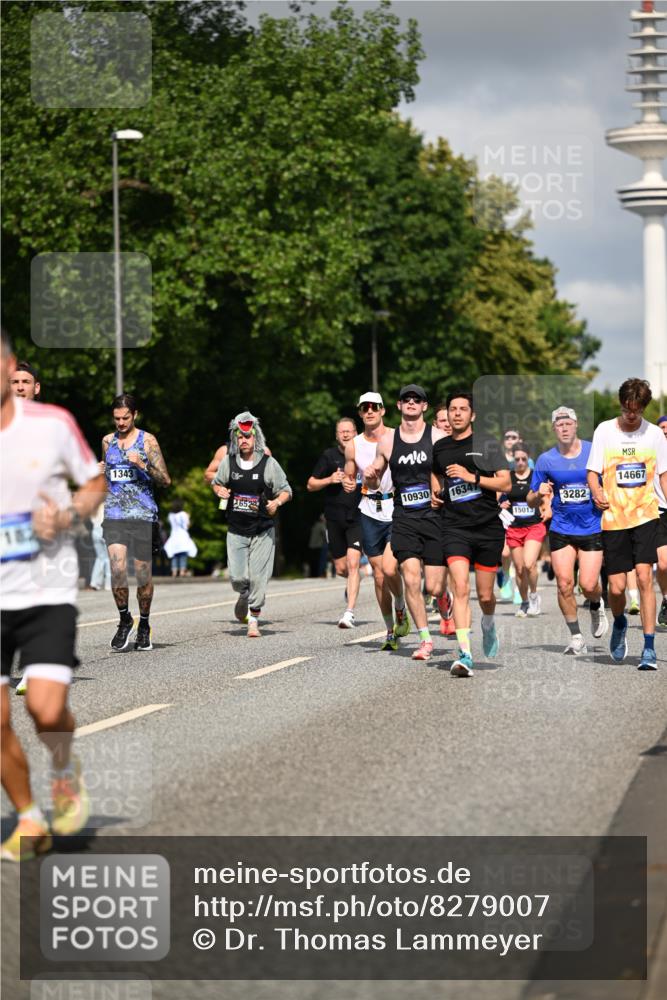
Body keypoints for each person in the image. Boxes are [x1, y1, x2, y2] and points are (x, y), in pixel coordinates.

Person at [1, 327, 105, 861]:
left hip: (44, 587)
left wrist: (68, 513)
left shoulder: (52, 424)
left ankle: (64, 770)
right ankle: (27, 815)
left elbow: (94, 481)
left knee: (44, 710)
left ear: (12, 365)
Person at [587, 378, 667, 670]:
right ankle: (620, 622)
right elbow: (593, 472)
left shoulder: (655, 435)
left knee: (645, 577)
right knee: (618, 588)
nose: (630, 414)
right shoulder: (605, 430)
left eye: (636, 410)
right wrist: (596, 491)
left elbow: (663, 476)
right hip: (613, 518)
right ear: (621, 404)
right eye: (626, 408)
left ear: (644, 407)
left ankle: (648, 648)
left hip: (646, 514)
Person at [431, 392, 511, 676]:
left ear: (472, 415)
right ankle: (464, 654)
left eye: (463, 409)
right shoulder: (440, 447)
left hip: (487, 527)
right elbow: (435, 474)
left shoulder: (487, 443)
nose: (456, 414)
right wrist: (435, 492)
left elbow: (506, 481)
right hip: (454, 527)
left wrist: (472, 477)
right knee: (460, 588)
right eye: (452, 409)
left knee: (486, 594)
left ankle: (488, 622)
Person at [365, 384, 446, 661]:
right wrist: (371, 476)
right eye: (406, 399)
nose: (411, 403)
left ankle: (441, 600)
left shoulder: (437, 437)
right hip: (404, 516)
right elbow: (374, 476)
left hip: (434, 516)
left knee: (434, 586)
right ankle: (425, 639)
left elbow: (452, 473)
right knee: (411, 578)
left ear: (425, 406)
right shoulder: (387, 442)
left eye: (417, 399)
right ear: (399, 406)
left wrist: (442, 492)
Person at [527, 406, 607, 656]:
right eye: (559, 424)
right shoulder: (546, 459)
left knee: (589, 583)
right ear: (554, 428)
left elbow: (609, 486)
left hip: (592, 526)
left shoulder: (594, 452)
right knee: (564, 584)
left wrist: (603, 497)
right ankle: (576, 637)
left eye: (568, 423)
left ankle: (596, 603)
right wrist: (537, 494)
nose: (563, 428)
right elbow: (530, 498)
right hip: (561, 527)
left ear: (576, 425)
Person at [101, 394, 171, 652]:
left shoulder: (147, 441)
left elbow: (165, 480)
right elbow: (109, 477)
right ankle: (123, 619)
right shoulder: (107, 442)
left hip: (143, 515)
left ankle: (144, 623)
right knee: (117, 568)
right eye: (117, 418)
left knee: (142, 574)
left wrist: (143, 464)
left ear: (135, 415)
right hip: (115, 514)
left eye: (125, 418)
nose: (120, 423)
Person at [212, 411, 291, 637]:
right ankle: (243, 593)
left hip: (262, 530)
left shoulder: (268, 463)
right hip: (236, 529)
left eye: (248, 436)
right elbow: (216, 483)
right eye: (240, 437)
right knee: (238, 578)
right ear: (235, 438)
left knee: (258, 577)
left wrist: (277, 502)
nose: (244, 440)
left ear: (256, 438)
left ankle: (253, 619)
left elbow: (286, 490)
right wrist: (220, 490)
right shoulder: (228, 462)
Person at [343, 391, 409, 651]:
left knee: (391, 569)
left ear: (383, 410)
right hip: (369, 509)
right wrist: (349, 482)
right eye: (365, 408)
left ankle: (401, 603)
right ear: (360, 413)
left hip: (396, 506)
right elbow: (350, 475)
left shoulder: (397, 436)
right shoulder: (354, 445)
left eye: (374, 407)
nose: (369, 411)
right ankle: (391, 630)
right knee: (379, 577)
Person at [308, 417, 362, 628]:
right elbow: (310, 484)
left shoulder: (364, 453)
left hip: (358, 516)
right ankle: (353, 581)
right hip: (334, 518)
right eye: (342, 432)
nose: (346, 434)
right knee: (341, 568)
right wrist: (329, 480)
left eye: (349, 431)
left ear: (356, 432)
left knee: (353, 563)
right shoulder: (328, 456)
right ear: (336, 435)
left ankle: (349, 612)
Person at [499, 444, 548, 618]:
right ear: (513, 460)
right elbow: (498, 497)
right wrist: (500, 504)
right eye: (517, 459)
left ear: (529, 459)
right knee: (519, 569)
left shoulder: (536, 476)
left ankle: (534, 595)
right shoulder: (508, 477)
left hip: (534, 525)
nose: (520, 462)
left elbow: (547, 494)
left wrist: (547, 508)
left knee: (529, 564)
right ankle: (525, 602)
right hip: (513, 527)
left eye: (523, 459)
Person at [164, 499, 197, 577]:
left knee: (174, 555)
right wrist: (189, 518)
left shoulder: (170, 515)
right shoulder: (183, 514)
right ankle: (182, 571)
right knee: (183, 555)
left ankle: (174, 572)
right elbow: (186, 526)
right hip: (182, 536)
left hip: (174, 536)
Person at [657, 415, 667, 628]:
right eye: (661, 428)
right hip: (659, 510)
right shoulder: (652, 452)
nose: (665, 430)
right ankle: (666, 599)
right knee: (664, 564)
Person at [88, 502, 111, 591]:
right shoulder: (107, 503)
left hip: (95, 530)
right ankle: (108, 584)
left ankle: (95, 582)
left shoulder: (94, 505)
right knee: (109, 558)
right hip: (104, 529)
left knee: (100, 558)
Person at [307, 514, 328, 578]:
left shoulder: (315, 525)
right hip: (318, 546)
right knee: (320, 561)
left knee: (313, 561)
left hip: (311, 546)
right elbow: (326, 535)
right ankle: (320, 574)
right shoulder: (322, 525)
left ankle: (313, 574)